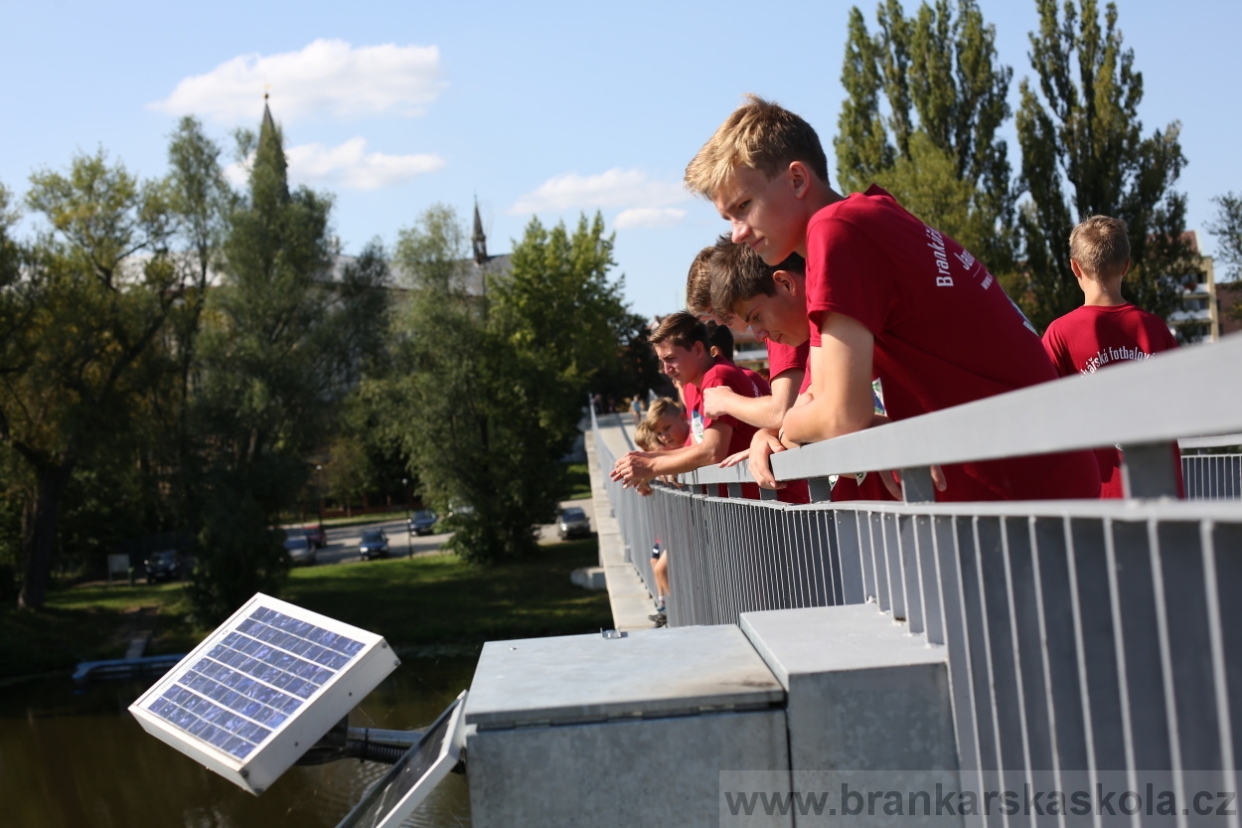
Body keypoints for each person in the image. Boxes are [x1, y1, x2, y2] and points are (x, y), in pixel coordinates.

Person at [684, 94, 1100, 501]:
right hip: (1026, 481)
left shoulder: (837, 230)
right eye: (728, 217)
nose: (737, 231)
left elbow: (839, 417)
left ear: (797, 179)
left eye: (744, 205)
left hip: (1021, 494)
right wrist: (769, 433)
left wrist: (798, 428)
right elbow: (813, 399)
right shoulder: (863, 218)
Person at [1042, 215, 1181, 498]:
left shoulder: (1060, 334)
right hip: (1161, 496)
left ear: (1075, 268)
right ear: (1127, 265)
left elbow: (1041, 413)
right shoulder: (1155, 328)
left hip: (1096, 500)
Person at [610, 313, 763, 497]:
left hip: (766, 502)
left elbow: (713, 452)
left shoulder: (718, 376)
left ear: (698, 349)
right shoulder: (692, 385)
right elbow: (697, 446)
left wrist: (652, 467)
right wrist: (647, 458)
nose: (666, 370)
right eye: (662, 362)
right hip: (742, 501)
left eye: (671, 358)